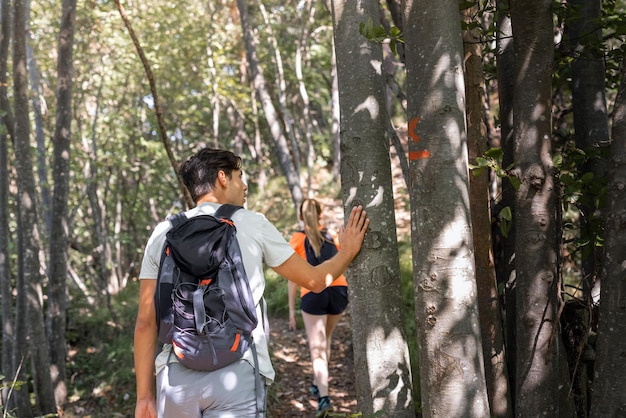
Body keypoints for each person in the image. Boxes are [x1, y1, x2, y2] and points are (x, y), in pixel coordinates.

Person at [134, 148, 369, 418]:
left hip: (175, 378)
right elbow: (315, 281)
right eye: (239, 176)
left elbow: (145, 323)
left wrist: (144, 398)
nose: (244, 186)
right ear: (222, 178)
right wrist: (347, 251)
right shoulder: (251, 223)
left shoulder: (163, 232)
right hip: (239, 370)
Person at [288, 198, 349, 418]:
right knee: (326, 340)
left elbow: (292, 277)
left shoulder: (297, 238)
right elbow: (343, 259)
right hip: (339, 290)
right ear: (320, 214)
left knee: (317, 349)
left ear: (301, 216)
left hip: (314, 293)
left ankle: (323, 398)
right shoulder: (331, 235)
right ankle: (317, 382)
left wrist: (291, 310)